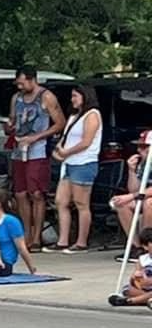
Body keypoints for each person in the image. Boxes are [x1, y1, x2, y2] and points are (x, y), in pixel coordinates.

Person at [4, 69, 63, 251]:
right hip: (19, 148)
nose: (20, 87)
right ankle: (26, 234)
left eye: (22, 83)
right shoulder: (17, 98)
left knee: (36, 193)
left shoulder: (46, 97)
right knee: (20, 193)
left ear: (32, 80)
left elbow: (60, 123)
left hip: (37, 149)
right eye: (18, 84)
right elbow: (13, 121)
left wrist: (37, 137)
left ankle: (36, 237)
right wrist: (9, 127)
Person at [52, 84, 102, 253]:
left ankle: (81, 242)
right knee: (61, 201)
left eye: (75, 96)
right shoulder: (75, 116)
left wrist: (67, 152)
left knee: (81, 203)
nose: (72, 99)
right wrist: (59, 149)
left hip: (84, 162)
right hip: (69, 163)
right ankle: (63, 240)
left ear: (85, 96)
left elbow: (86, 142)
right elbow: (66, 136)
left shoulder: (92, 115)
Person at [110, 131, 150, 244]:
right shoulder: (143, 163)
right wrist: (131, 170)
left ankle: (147, 244)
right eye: (138, 146)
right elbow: (134, 189)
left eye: (143, 147)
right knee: (121, 204)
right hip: (144, 196)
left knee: (149, 203)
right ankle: (136, 246)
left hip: (148, 198)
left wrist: (130, 196)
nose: (138, 150)